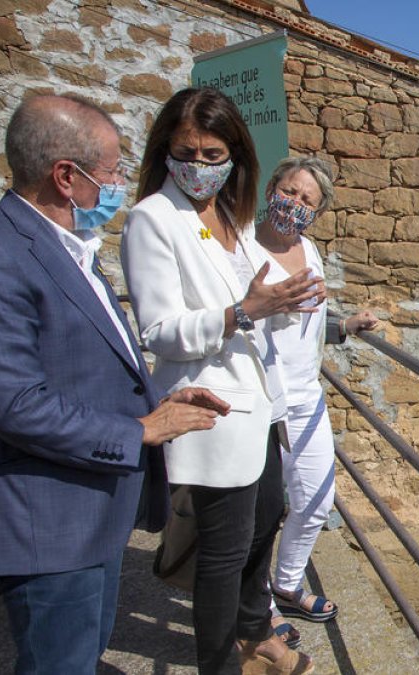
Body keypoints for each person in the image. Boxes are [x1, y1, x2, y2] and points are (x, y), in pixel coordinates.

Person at [0, 93, 230, 674]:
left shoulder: (66, 246)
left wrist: (158, 401)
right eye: (114, 169)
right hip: (49, 525)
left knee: (81, 655)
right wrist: (141, 428)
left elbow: (81, 362)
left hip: (91, 512)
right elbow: (13, 402)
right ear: (67, 177)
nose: (120, 181)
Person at [121, 87, 320, 675]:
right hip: (211, 409)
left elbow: (247, 301)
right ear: (166, 151)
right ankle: (222, 664)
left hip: (257, 407)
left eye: (215, 154)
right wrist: (244, 313)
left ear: (235, 156)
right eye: (190, 152)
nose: (202, 166)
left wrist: (286, 301)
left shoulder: (227, 215)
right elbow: (159, 328)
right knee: (224, 555)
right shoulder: (152, 219)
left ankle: (255, 633)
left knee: (267, 518)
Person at [254, 157, 380, 647]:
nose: (294, 204)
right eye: (288, 192)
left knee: (316, 497)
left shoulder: (308, 249)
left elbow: (306, 323)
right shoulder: (241, 246)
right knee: (261, 510)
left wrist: (343, 327)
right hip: (259, 398)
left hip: (306, 395)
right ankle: (258, 607)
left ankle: (286, 582)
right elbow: (237, 316)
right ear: (271, 190)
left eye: (306, 200)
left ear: (318, 211)